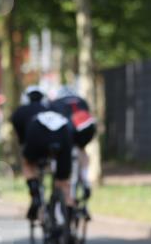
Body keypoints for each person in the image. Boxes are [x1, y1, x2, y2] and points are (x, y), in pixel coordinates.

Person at [9, 85, 74, 225]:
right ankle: (69, 219)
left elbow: (22, 141)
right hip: (62, 134)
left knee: (28, 163)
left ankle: (35, 194)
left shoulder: (20, 112)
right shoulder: (52, 108)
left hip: (35, 132)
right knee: (63, 181)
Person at [50, 84, 96, 208]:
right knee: (81, 149)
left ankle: (63, 182)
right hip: (86, 127)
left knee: (62, 152)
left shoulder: (55, 103)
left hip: (68, 129)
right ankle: (85, 179)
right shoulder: (82, 101)